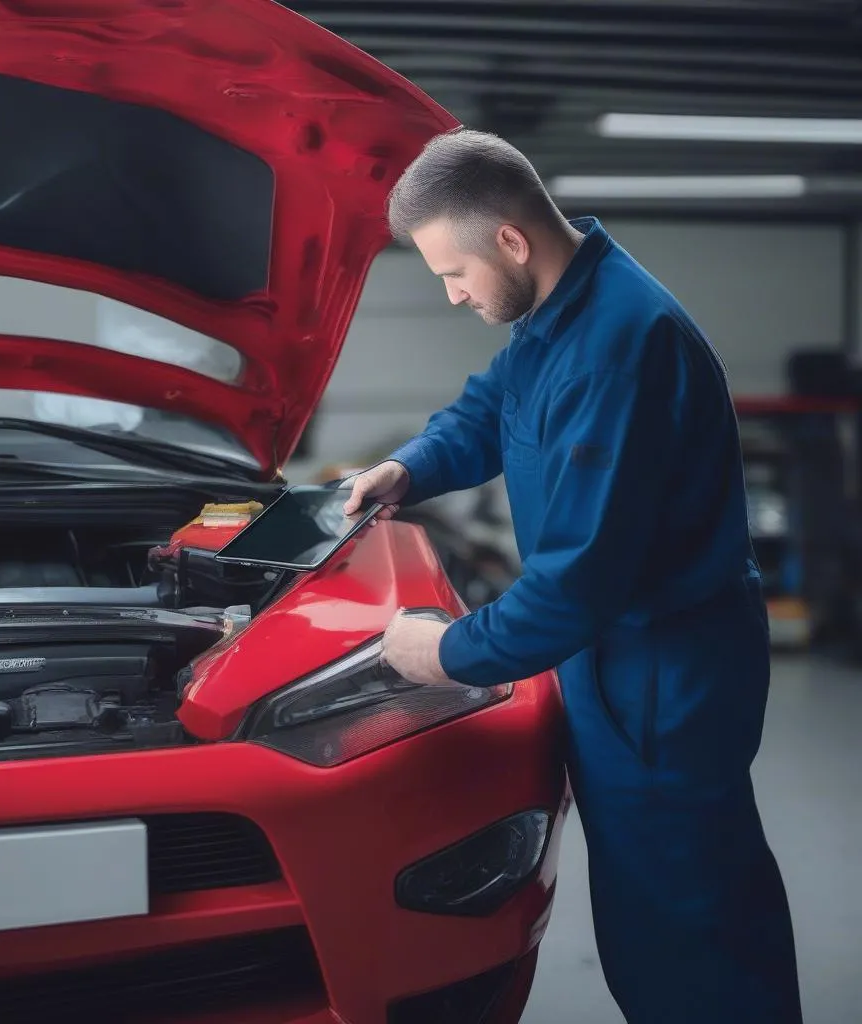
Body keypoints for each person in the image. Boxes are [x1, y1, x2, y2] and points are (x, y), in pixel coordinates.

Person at [342, 128, 803, 1024]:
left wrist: (438, 654)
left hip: (663, 674)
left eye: (454, 272)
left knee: (691, 922)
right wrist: (411, 467)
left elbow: (573, 590)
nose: (453, 295)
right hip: (618, 658)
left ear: (509, 239)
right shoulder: (555, 313)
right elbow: (489, 408)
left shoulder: (621, 348)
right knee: (644, 907)